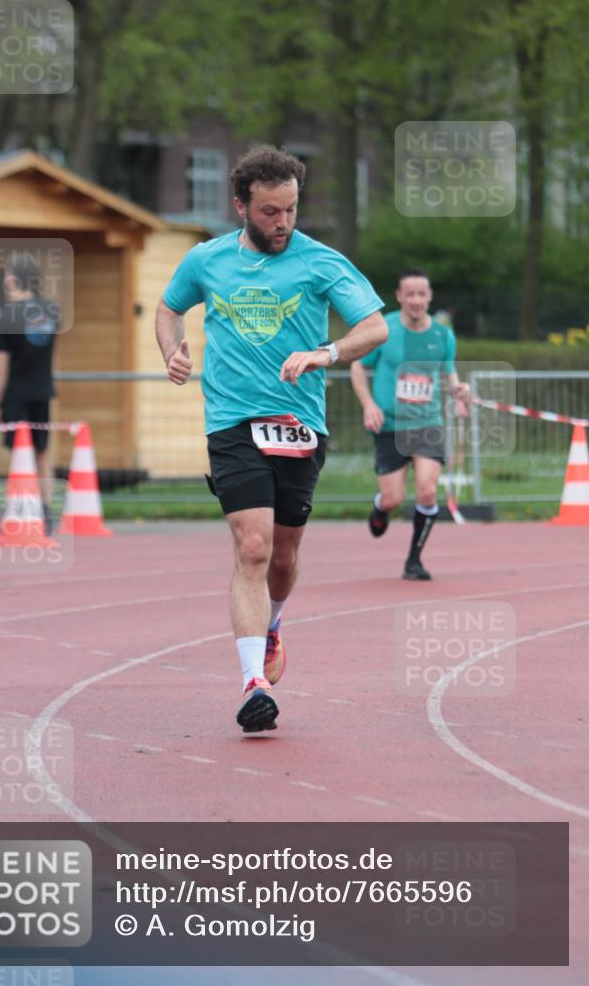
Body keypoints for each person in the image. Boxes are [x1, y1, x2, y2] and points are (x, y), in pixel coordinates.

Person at [156, 145, 387, 734]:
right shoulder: (206, 261)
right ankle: (252, 682)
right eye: (269, 212)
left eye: (289, 210)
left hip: (300, 425)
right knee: (252, 548)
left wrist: (324, 353)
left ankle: (274, 624)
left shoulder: (320, 261)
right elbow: (167, 307)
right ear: (241, 206)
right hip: (232, 422)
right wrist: (171, 350)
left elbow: (374, 326)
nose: (282, 223)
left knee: (283, 556)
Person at [350, 269, 470, 581]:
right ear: (400, 296)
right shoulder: (383, 330)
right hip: (389, 426)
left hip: (427, 423)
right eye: (410, 294)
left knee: (428, 492)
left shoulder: (443, 335)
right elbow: (358, 368)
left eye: (422, 294)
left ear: (429, 297)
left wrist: (459, 392)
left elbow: (449, 375)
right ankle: (381, 507)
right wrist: (369, 405)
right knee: (393, 499)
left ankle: (414, 561)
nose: (416, 300)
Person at [0, 252, 59, 533]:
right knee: (42, 453)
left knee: (19, 454)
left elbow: (0, 366)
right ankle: (45, 512)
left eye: (7, 274)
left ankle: (17, 513)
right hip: (43, 390)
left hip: (16, 393)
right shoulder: (51, 310)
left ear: (15, 278)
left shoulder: (5, 315)